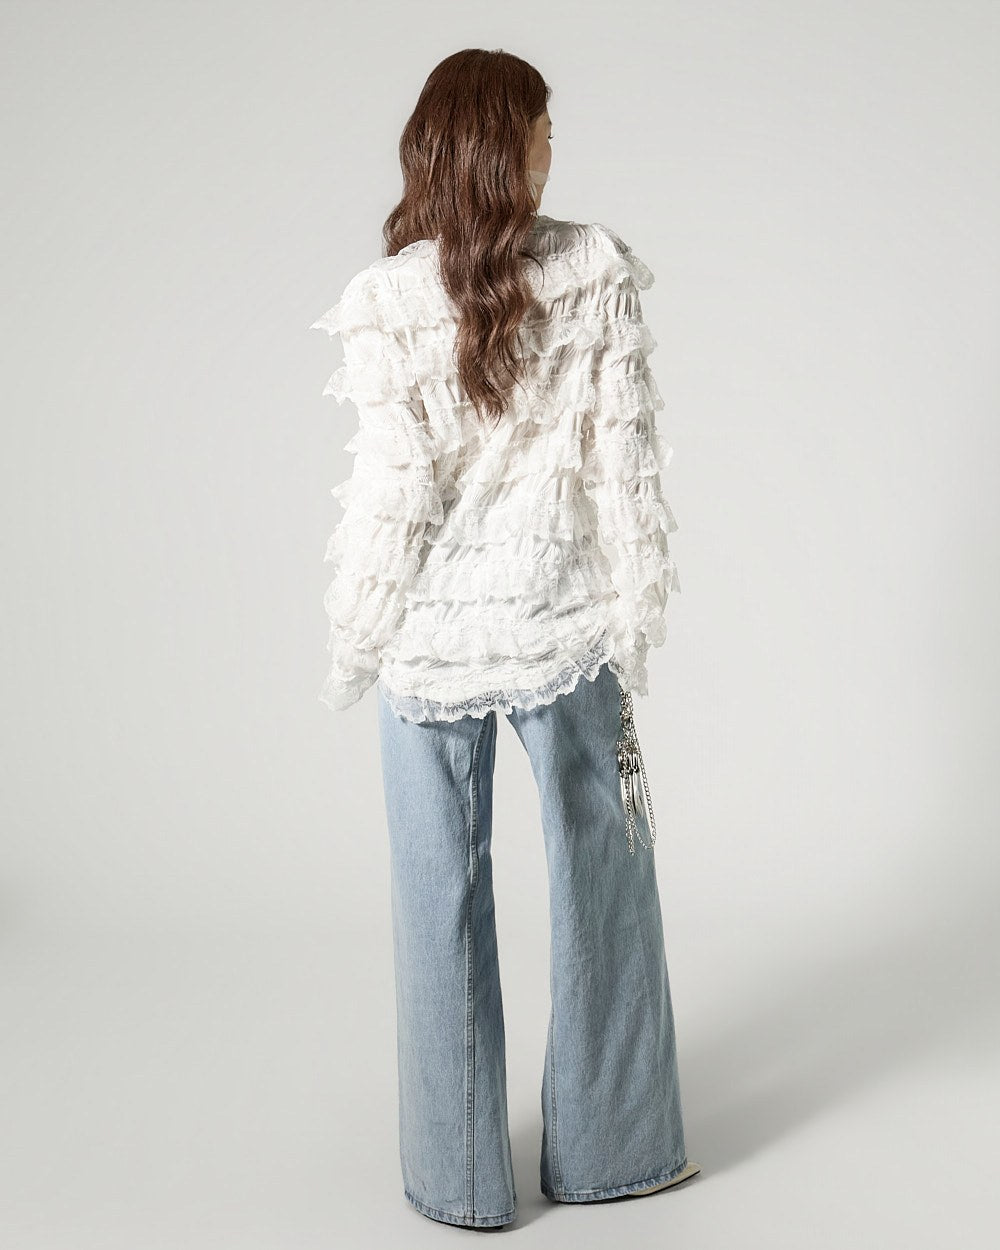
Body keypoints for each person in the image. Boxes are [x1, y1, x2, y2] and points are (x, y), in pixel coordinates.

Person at [309, 47, 700, 1230]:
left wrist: (355, 637)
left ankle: (460, 1179)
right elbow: (622, 464)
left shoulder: (386, 299)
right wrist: (635, 614)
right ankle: (615, 1151)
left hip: (427, 642)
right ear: (497, 145)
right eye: (539, 127)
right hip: (562, 621)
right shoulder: (594, 268)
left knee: (434, 896)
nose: (550, 145)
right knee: (605, 883)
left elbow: (392, 495)